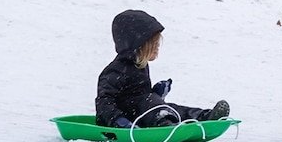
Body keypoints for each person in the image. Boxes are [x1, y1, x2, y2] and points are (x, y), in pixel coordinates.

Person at [96, 9, 229, 127]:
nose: (158, 47)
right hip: (127, 118)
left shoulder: (139, 65)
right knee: (153, 105)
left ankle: (205, 116)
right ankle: (165, 124)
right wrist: (118, 120)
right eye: (153, 44)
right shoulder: (116, 70)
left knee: (171, 108)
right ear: (138, 45)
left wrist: (156, 93)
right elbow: (104, 102)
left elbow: (136, 97)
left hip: (142, 112)